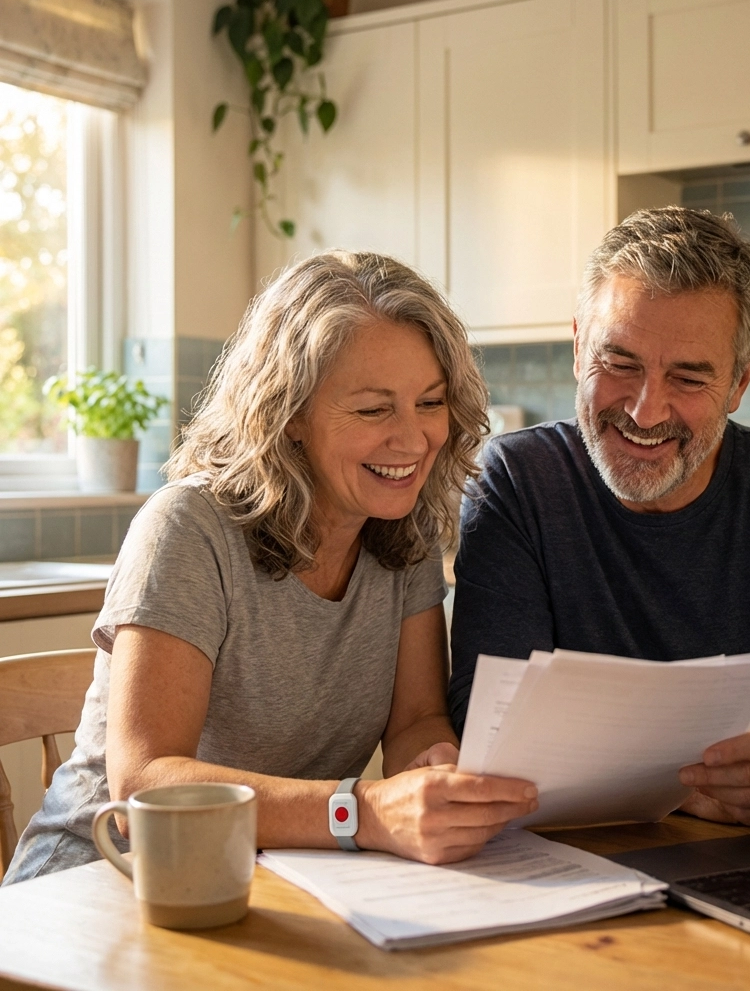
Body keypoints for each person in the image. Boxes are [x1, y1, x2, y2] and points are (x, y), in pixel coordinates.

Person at [4, 251, 537, 885]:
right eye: (373, 409)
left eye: (431, 402)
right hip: (96, 884)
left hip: (261, 881)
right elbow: (144, 781)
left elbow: (416, 719)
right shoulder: (188, 529)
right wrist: (361, 811)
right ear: (287, 417)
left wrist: (435, 766)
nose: (415, 438)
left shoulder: (405, 534)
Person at [448, 207, 750, 832]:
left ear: (740, 381)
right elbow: (487, 728)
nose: (646, 412)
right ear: (577, 348)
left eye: (690, 376)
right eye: (618, 363)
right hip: (574, 856)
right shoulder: (516, 482)